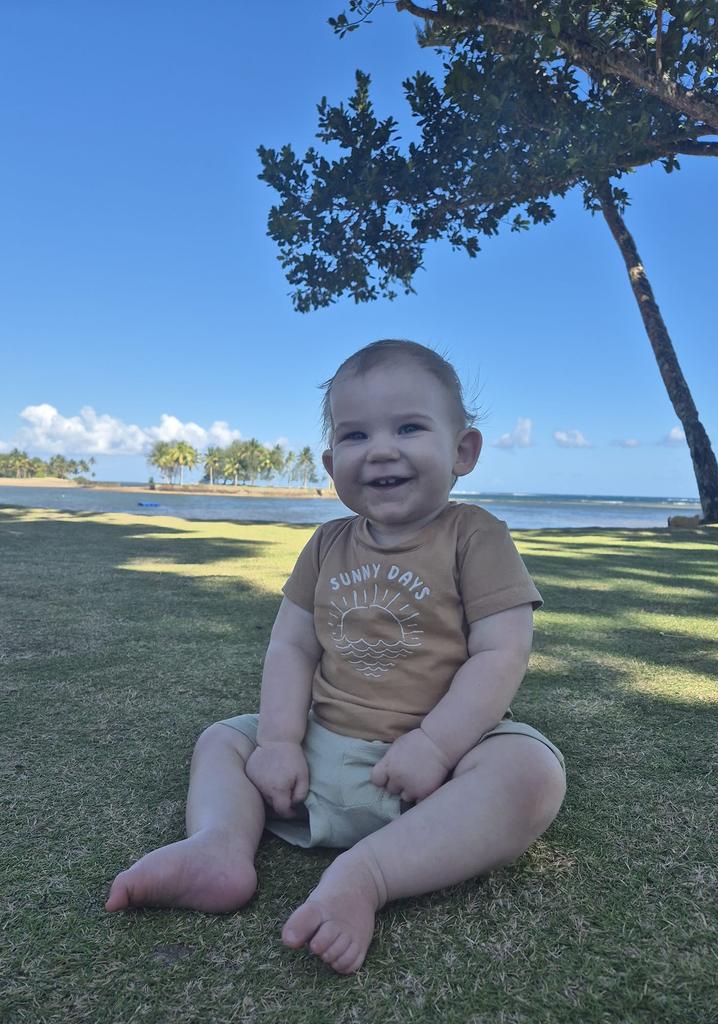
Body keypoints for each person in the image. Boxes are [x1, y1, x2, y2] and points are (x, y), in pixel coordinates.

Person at [106, 339, 566, 974]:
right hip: (316, 758)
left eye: (408, 427)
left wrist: (436, 746)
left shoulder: (475, 536)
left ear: (464, 451)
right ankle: (219, 846)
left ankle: (369, 874)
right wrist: (277, 742)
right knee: (223, 740)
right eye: (355, 436)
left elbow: (502, 653)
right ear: (330, 462)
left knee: (530, 772)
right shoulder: (326, 544)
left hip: (433, 775)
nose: (379, 449)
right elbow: (291, 646)